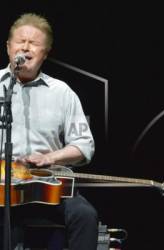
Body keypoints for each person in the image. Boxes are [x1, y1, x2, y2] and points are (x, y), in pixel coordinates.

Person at [0, 13, 99, 249]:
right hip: (2, 190)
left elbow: (84, 145)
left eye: (34, 43)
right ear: (8, 47)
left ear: (45, 53)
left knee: (85, 215)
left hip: (46, 190)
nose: (25, 47)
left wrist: (49, 157)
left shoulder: (61, 92)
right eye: (20, 41)